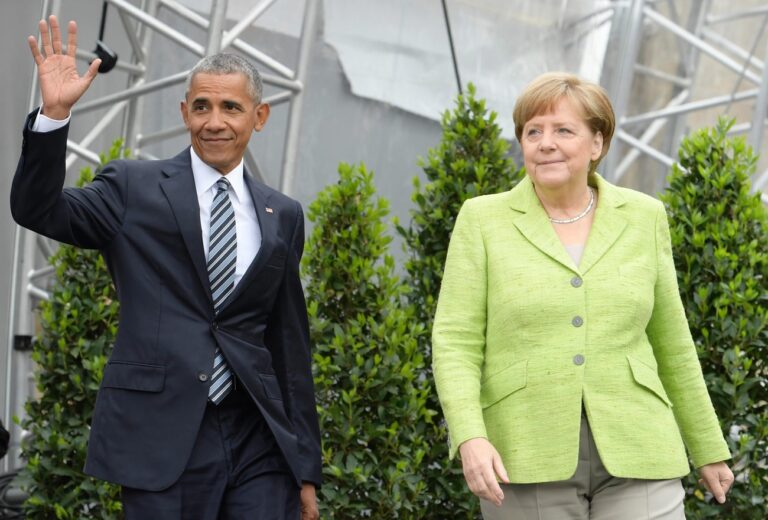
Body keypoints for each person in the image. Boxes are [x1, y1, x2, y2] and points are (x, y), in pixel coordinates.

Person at [12, 16, 321, 519]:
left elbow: (289, 344)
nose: (214, 121)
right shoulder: (133, 187)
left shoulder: (281, 213)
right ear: (184, 112)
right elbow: (38, 210)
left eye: (230, 108)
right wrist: (53, 117)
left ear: (259, 116)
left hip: (258, 439)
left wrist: (305, 467)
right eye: (201, 106)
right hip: (163, 436)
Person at [431, 72, 733, 519]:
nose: (545, 143)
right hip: (524, 451)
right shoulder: (482, 219)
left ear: (597, 144)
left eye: (563, 130)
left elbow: (672, 341)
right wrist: (470, 437)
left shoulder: (644, 216)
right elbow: (455, 342)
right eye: (533, 131)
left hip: (639, 444)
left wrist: (707, 445)